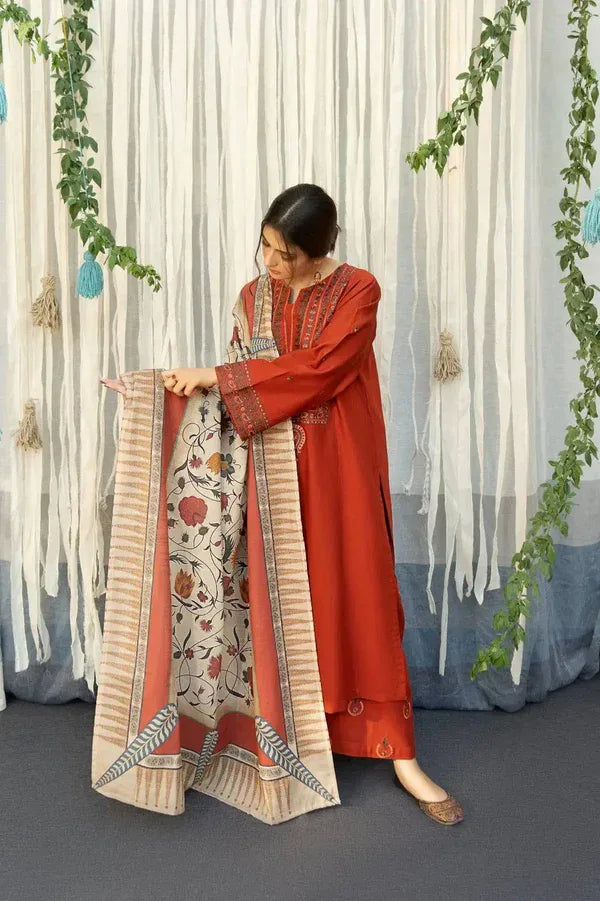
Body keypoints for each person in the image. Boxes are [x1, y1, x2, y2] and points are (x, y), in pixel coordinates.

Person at [156, 184, 463, 825]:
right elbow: (239, 379)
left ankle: (397, 751)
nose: (269, 262)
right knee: (283, 596)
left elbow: (323, 368)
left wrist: (217, 374)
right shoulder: (252, 297)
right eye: (265, 245)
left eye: (284, 253)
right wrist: (176, 389)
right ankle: (289, 733)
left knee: (358, 591)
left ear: (317, 250)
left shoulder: (359, 291)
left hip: (341, 467)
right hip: (269, 468)